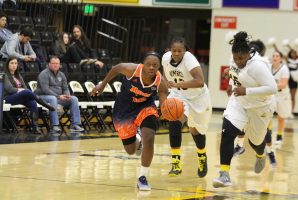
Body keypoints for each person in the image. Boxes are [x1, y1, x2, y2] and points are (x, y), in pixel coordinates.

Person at [91, 52, 169, 191]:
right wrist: (102, 85)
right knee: (130, 151)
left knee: (149, 137)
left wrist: (169, 111)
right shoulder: (131, 69)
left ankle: (143, 177)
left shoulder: (160, 82)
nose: (151, 67)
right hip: (124, 108)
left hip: (145, 106)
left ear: (159, 67)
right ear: (142, 64)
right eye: (148, 64)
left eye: (155, 65)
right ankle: (137, 139)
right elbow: (115, 68)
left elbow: (164, 104)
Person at [212, 31, 277, 188]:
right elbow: (236, 70)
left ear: (249, 54)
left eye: (241, 58)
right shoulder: (235, 57)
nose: (238, 61)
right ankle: (224, 174)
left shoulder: (258, 66)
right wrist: (229, 75)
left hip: (260, 107)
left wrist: (247, 90)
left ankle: (261, 155)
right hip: (239, 102)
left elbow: (272, 88)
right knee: (227, 133)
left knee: (255, 142)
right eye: (235, 58)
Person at [161, 37, 212, 178]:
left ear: (184, 51)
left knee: (195, 130)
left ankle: (202, 156)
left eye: (179, 51)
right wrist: (168, 83)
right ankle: (176, 162)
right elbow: (166, 75)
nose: (176, 53)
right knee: (174, 121)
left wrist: (177, 84)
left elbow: (200, 81)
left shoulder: (190, 60)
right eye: (174, 50)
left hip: (198, 98)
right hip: (179, 95)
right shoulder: (165, 58)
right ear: (170, 50)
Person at [233, 40, 278, 167]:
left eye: (254, 50)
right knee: (236, 125)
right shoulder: (242, 62)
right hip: (247, 101)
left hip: (264, 103)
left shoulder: (261, 64)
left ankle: (267, 153)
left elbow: (271, 87)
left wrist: (246, 90)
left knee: (261, 135)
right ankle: (239, 146)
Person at [3, 57, 55, 134]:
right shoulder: (4, 75)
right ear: (7, 65)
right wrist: (21, 90)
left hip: (20, 97)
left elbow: (25, 88)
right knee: (27, 92)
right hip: (8, 98)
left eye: (15, 63)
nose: (14, 65)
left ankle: (35, 127)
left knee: (32, 102)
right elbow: (10, 90)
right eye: (12, 63)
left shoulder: (18, 75)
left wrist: (22, 90)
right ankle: (44, 104)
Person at [34, 56, 84, 133]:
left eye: (57, 63)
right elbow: (45, 90)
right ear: (49, 64)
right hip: (42, 97)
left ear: (59, 64)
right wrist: (58, 96)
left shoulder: (62, 75)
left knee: (74, 99)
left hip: (58, 97)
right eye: (53, 63)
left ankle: (75, 125)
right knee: (52, 98)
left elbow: (65, 88)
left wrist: (67, 95)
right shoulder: (44, 74)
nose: (55, 65)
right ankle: (55, 125)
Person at [273, 44, 298, 119]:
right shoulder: (288, 59)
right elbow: (280, 54)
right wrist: (274, 45)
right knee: (288, 96)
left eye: (294, 53)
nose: (293, 54)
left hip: (295, 80)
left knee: (293, 97)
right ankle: (286, 111)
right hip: (287, 80)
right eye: (292, 52)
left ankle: (291, 112)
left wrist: (291, 46)